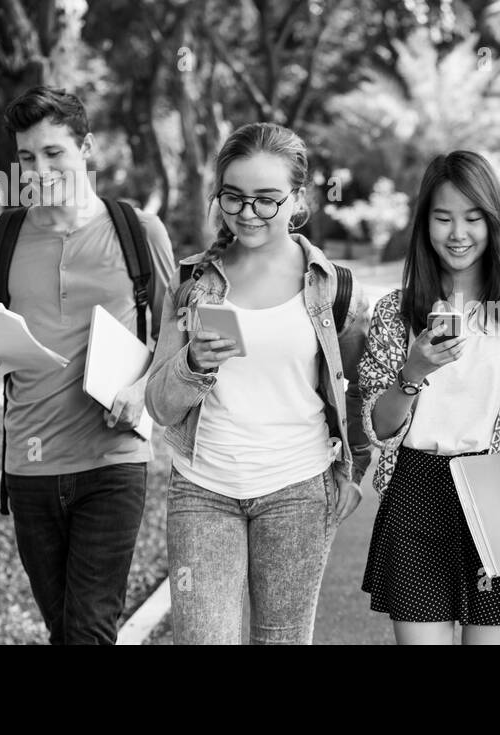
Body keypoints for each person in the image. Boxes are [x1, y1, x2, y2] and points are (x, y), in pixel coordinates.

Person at [0, 86, 176, 644]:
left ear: (87, 147)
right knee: (65, 631)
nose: (39, 168)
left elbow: (176, 333)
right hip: (28, 465)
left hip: (113, 458)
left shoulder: (139, 232)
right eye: (26, 157)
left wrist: (143, 385)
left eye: (54, 153)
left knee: (89, 631)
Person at [144, 122, 370, 645]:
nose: (247, 213)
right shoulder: (190, 283)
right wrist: (193, 365)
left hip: (298, 490)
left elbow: (357, 388)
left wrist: (354, 469)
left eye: (266, 200)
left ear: (297, 200)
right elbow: (158, 403)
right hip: (203, 490)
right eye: (233, 197)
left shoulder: (333, 287)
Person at [359, 150, 500, 645]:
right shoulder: (397, 311)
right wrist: (413, 372)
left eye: (474, 218)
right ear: (424, 223)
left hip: (494, 492)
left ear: (494, 223)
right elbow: (378, 426)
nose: (459, 233)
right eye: (443, 218)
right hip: (416, 493)